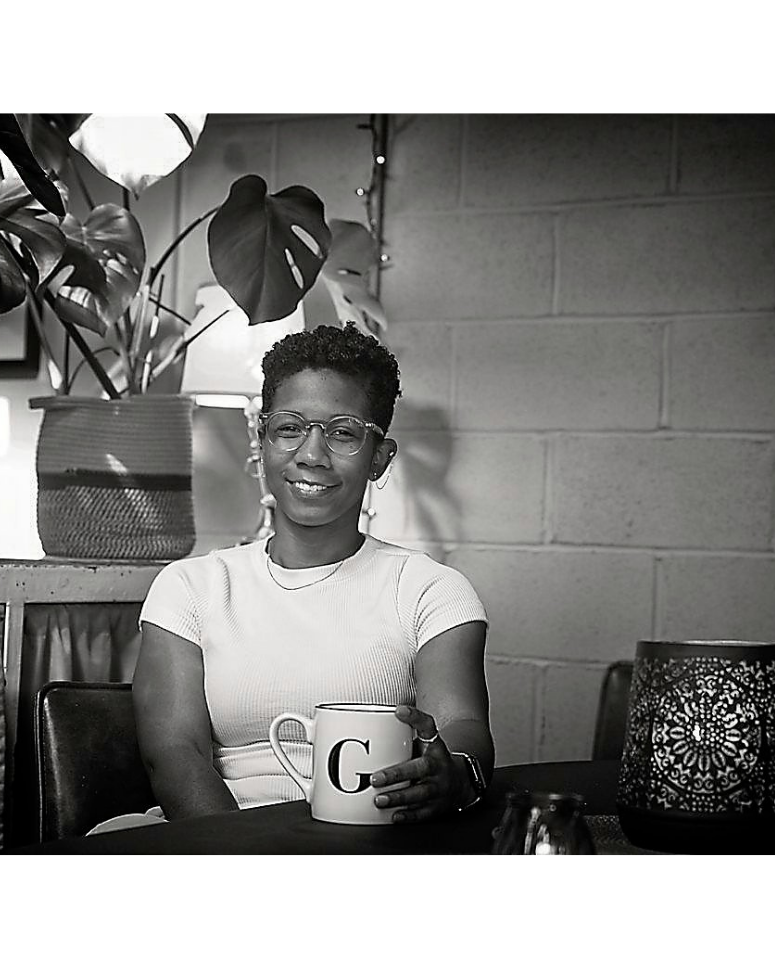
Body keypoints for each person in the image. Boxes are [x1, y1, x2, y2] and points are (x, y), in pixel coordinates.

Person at [89, 323, 494, 833]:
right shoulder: (191, 588)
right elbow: (174, 754)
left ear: (379, 458)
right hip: (215, 836)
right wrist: (246, 858)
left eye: (343, 432)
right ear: (262, 440)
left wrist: (455, 771)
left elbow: (463, 727)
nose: (311, 454)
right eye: (289, 428)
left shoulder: (430, 590)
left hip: (369, 838)